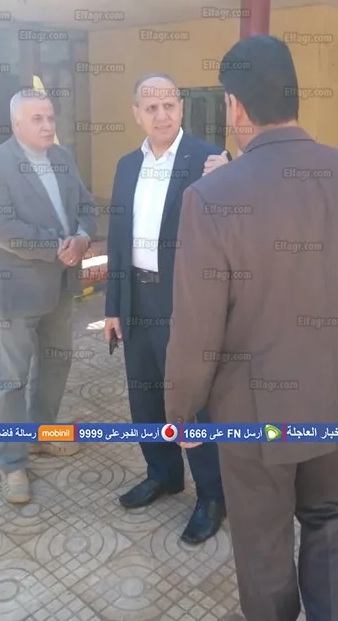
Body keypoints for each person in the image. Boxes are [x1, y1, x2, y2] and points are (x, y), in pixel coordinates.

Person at [164, 35, 338, 621]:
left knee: (263, 542)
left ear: (235, 106)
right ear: (294, 96)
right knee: (334, 524)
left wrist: (182, 410)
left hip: (256, 414)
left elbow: (196, 328)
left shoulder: (211, 196)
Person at [105, 72, 230, 544]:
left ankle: (212, 495)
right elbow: (118, 240)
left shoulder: (209, 160)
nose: (162, 115)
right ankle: (163, 474)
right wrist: (113, 306)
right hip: (136, 298)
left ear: (181, 107)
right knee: (145, 396)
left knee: (191, 401)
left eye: (169, 106)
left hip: (184, 302)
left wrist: (230, 178)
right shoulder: (126, 166)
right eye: (151, 108)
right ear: (137, 114)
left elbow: (232, 227)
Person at [0, 91, 96, 504]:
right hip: (16, 291)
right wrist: (59, 247)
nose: (47, 125)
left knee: (56, 363)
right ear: (16, 125)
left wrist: (82, 237)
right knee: (10, 380)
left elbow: (86, 205)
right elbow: (3, 228)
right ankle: (12, 462)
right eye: (37, 119)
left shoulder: (63, 157)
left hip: (60, 286)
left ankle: (42, 434)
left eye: (50, 117)